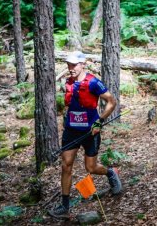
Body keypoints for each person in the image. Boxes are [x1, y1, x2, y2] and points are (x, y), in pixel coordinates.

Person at [49, 51, 122, 219]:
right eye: (69, 65)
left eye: (74, 65)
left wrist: (100, 120)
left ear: (83, 64)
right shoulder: (68, 82)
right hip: (71, 130)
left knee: (91, 167)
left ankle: (110, 172)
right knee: (66, 165)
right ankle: (64, 206)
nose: (70, 68)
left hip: (91, 131)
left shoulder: (94, 83)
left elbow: (112, 101)